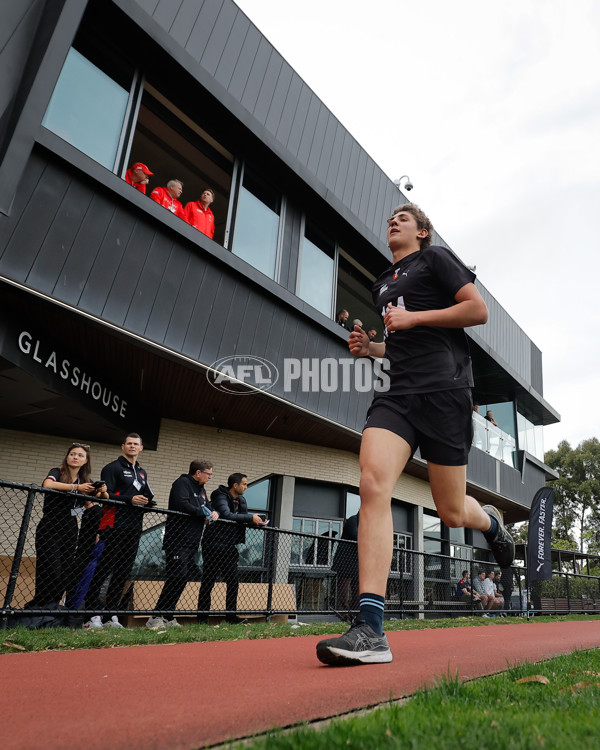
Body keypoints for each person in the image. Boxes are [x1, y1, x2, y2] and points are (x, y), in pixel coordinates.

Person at [316, 202, 514, 666]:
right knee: (372, 483)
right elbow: (399, 343)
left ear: (422, 232)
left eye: (403, 219)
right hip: (397, 395)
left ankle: (488, 521)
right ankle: (371, 628)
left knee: (450, 511)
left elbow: (477, 310)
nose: (393, 221)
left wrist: (416, 319)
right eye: (390, 218)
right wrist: (372, 349)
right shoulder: (381, 283)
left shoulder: (437, 259)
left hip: (445, 391)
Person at [84, 433, 155, 624]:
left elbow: (140, 495)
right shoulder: (112, 468)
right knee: (104, 568)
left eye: (136, 444)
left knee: (123, 571)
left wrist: (146, 503)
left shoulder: (142, 472)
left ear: (141, 448)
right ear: (123, 446)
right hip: (114, 525)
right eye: (129, 443)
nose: (132, 446)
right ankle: (91, 614)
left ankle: (110, 615)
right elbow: (105, 496)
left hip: (133, 526)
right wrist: (129, 500)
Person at [146, 460, 218, 629]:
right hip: (177, 539)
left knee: (183, 578)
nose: (210, 477)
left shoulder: (201, 489)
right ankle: (155, 617)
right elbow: (182, 504)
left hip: (192, 541)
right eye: (208, 473)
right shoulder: (182, 483)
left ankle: (168, 616)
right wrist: (203, 513)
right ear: (198, 473)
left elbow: (207, 506)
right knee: (175, 576)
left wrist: (213, 513)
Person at [30, 443, 97, 607]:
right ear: (67, 457)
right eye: (72, 454)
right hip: (50, 525)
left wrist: (101, 490)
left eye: (80, 455)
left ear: (86, 461)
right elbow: (48, 484)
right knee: (51, 569)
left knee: (66, 572)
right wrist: (76, 488)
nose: (75, 457)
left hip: (71, 527)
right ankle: (39, 604)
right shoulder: (57, 472)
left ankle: (51, 605)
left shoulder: (85, 481)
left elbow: (93, 501)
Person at [197, 473, 266, 624]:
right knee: (209, 581)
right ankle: (202, 618)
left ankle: (231, 617)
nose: (246, 487)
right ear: (235, 485)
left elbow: (241, 519)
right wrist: (249, 518)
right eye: (244, 484)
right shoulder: (219, 496)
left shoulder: (241, 500)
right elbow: (226, 515)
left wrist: (256, 522)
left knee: (233, 581)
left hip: (229, 546)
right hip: (213, 544)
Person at [331, 512, 360, 615]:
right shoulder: (353, 520)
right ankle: (342, 612)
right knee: (343, 589)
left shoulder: (365, 523)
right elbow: (355, 535)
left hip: (357, 562)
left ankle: (355, 613)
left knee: (357, 589)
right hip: (345, 560)